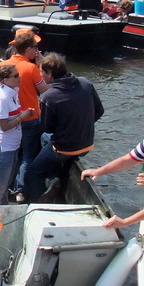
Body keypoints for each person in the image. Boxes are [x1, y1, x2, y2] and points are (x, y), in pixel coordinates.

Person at [23, 53, 103, 203]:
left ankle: (35, 204)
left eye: (41, 72)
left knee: (32, 173)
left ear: (50, 74)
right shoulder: (85, 83)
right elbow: (100, 111)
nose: (40, 75)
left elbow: (46, 127)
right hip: (86, 144)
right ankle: (56, 176)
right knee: (45, 139)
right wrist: (81, 125)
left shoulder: (49, 96)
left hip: (64, 147)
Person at [0, 31, 47, 202]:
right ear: (27, 49)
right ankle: (20, 190)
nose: (37, 51)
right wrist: (42, 66)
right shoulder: (31, 68)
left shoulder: (3, 66)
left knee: (12, 154)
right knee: (28, 156)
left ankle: (6, 186)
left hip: (10, 118)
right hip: (30, 119)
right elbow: (46, 91)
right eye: (35, 47)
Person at [0, 64, 32, 205]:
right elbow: (4, 125)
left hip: (11, 148)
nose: (19, 78)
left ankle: (1, 218)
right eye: (16, 76)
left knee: (4, 189)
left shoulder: (12, 94)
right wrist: (22, 117)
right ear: (5, 80)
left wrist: (23, 113)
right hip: (2, 149)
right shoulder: (2, 98)